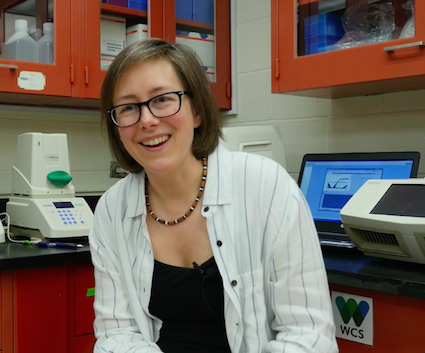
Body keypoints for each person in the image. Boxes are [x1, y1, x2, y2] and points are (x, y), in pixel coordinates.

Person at [89, 38, 338, 353]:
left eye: (163, 99)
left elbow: (308, 336)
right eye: (128, 107)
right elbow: (117, 335)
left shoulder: (267, 187)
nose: (147, 120)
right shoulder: (113, 210)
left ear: (197, 112)